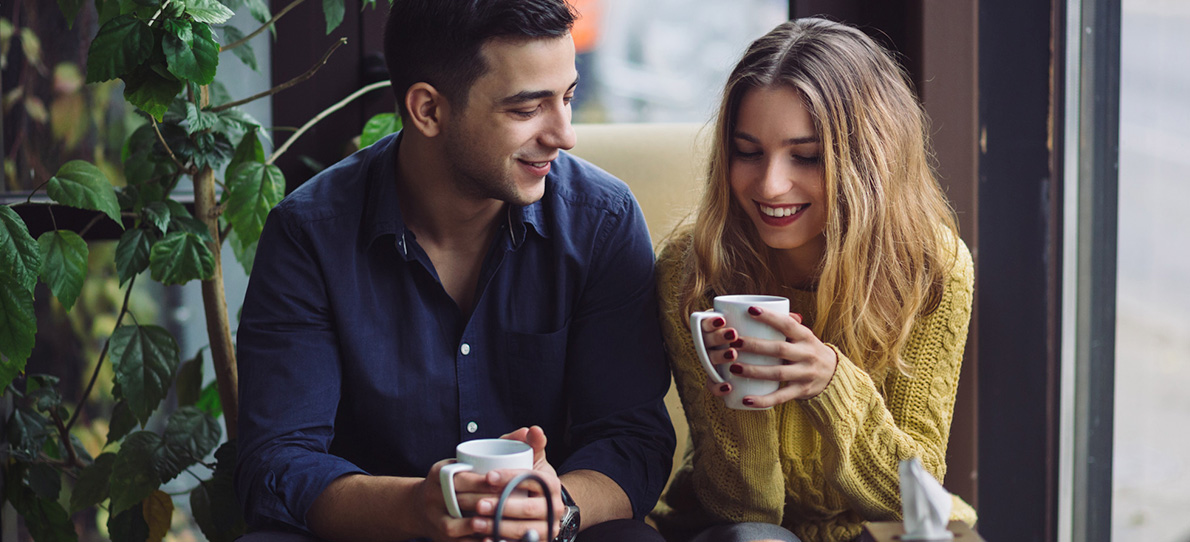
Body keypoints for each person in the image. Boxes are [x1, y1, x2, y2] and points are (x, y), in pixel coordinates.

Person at [234, 1, 675, 541]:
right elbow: (277, 461)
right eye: (526, 109)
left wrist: (552, 507)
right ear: (428, 110)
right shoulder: (310, 235)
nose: (564, 135)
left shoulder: (601, 222)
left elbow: (631, 439)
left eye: (567, 98)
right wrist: (414, 507)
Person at [647, 18, 979, 542]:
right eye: (748, 152)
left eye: (807, 157)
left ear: (869, 161)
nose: (771, 185)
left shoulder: (930, 269)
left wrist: (831, 383)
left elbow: (910, 500)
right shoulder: (695, 265)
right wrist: (744, 398)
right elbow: (743, 509)